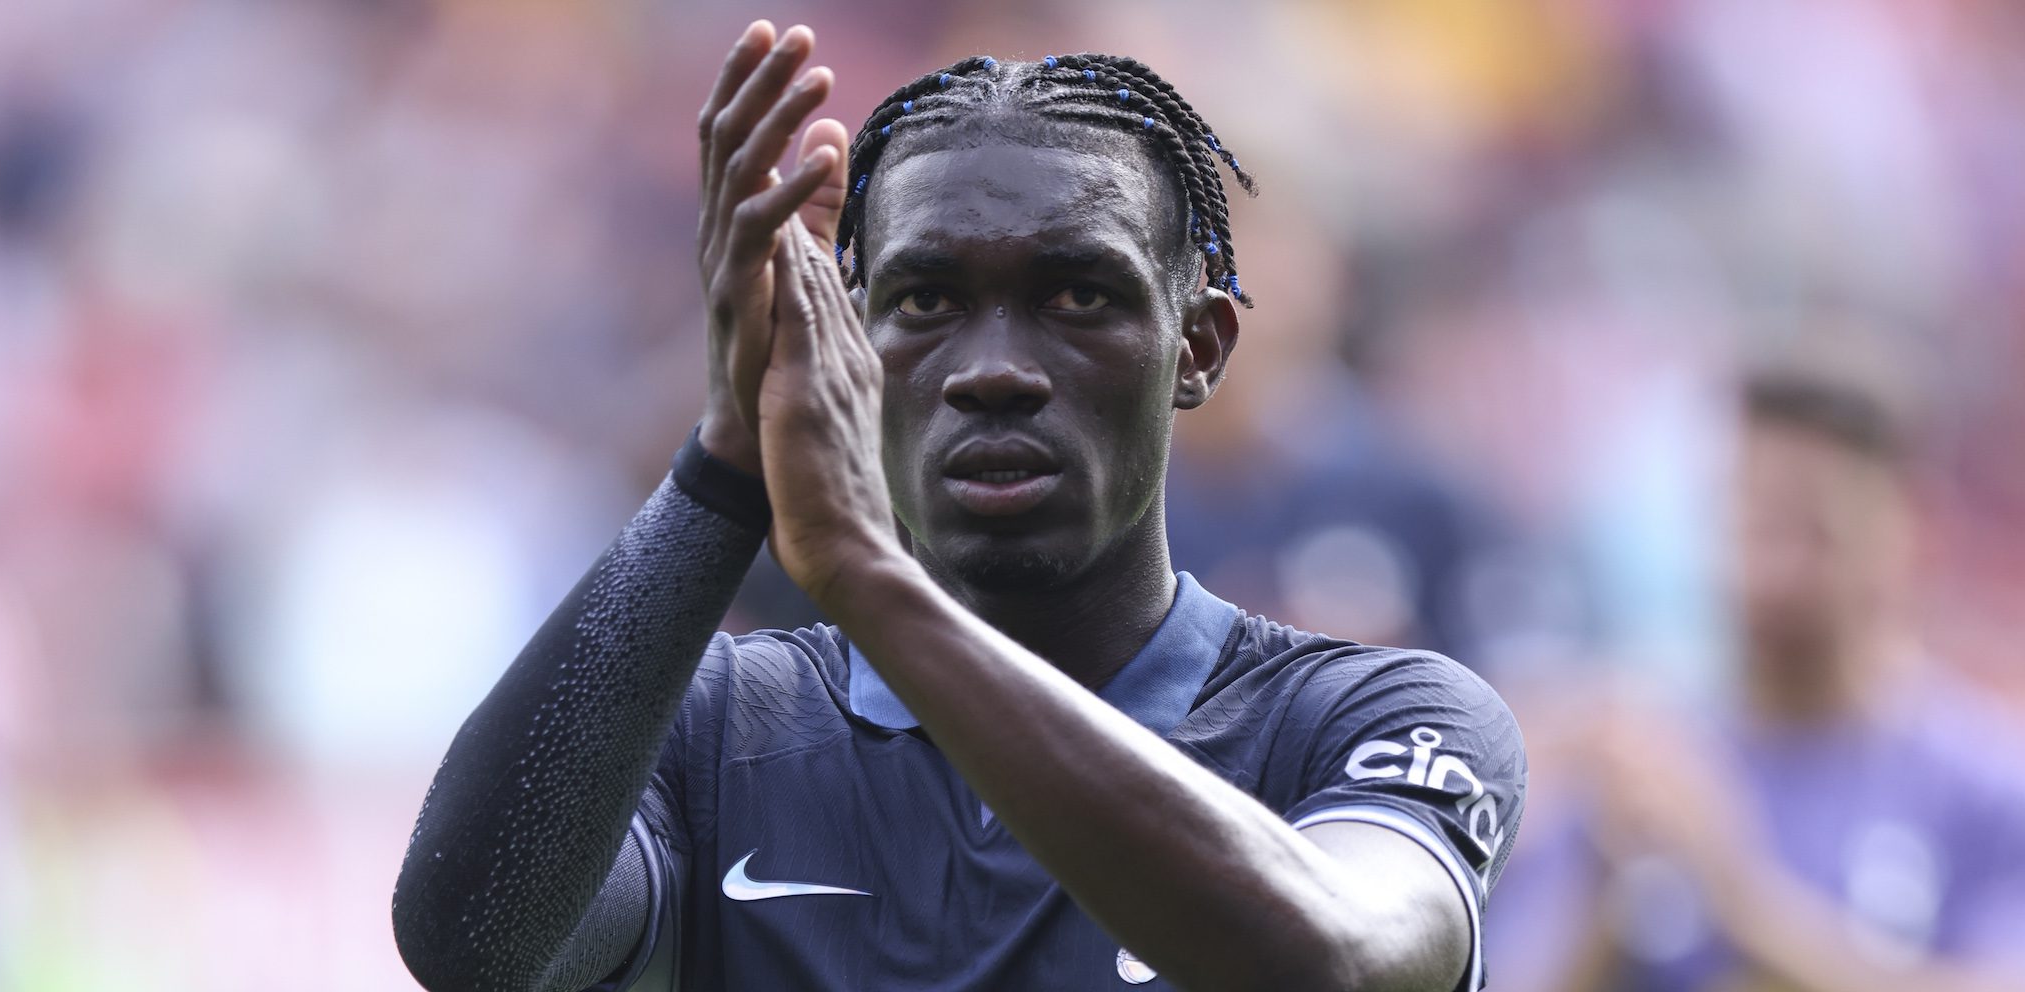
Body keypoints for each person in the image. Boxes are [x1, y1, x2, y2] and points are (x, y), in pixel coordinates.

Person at [390, 21, 1526, 992]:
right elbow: (477, 946)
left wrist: (872, 585)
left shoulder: (1368, 719)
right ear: (847, 334)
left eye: (1075, 294)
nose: (993, 367)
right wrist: (726, 456)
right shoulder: (720, 727)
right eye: (926, 297)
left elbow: (1338, 960)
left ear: (1199, 345)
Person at [1484, 372, 2025, 992]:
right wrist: (1604, 892)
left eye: (1809, 530)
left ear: (1903, 531)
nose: (1767, 570)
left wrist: (1743, 900)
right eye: (1749, 523)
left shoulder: (1988, 787)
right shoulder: (1651, 766)